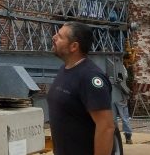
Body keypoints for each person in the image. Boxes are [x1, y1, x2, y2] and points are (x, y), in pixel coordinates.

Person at [47, 22, 116, 155]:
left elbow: (106, 127)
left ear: (74, 46)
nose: (54, 37)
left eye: (60, 36)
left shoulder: (90, 77)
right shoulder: (65, 69)